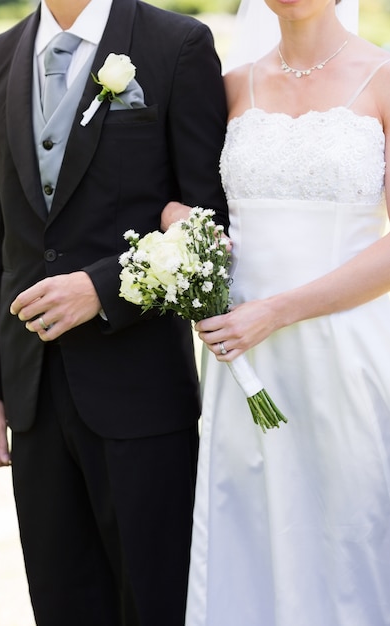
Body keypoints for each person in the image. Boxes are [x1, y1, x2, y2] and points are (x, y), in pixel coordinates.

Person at [0, 1, 228, 624]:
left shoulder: (179, 44)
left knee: (155, 600)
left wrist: (103, 288)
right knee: (60, 602)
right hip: (31, 388)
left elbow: (208, 220)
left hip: (140, 386)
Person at [183, 0, 390, 624]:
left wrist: (277, 310)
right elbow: (189, 206)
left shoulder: (381, 77)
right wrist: (183, 237)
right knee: (248, 531)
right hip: (242, 359)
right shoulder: (227, 88)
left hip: (347, 352)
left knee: (350, 532)